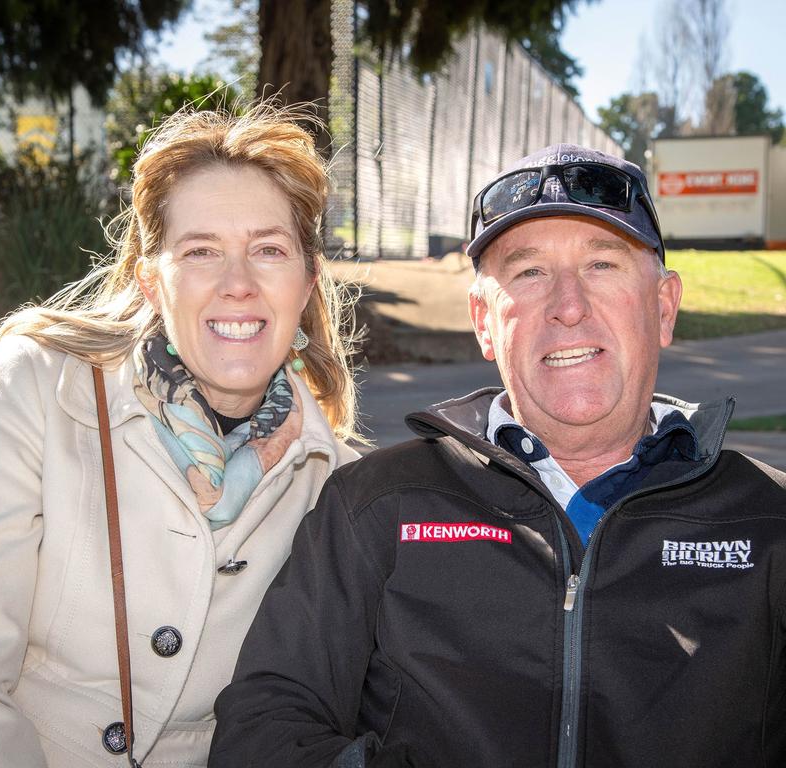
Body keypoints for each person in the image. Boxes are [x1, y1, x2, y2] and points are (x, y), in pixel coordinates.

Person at [0, 104, 359, 768]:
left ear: (304, 283)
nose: (237, 284)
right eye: (201, 251)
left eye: (268, 250)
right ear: (153, 282)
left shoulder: (338, 485)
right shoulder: (41, 387)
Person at [209, 144, 786, 767]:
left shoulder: (767, 519)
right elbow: (262, 731)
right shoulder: (375, 505)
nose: (569, 306)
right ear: (484, 321)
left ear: (664, 307)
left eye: (603, 265)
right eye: (529, 272)